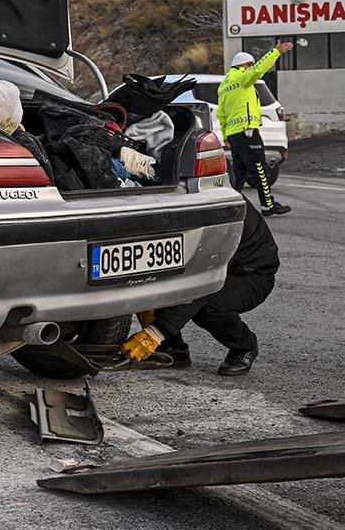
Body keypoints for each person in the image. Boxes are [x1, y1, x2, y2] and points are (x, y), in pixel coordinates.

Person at [120, 197, 279, 376]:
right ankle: (173, 349)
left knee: (208, 306)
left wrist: (156, 333)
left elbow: (204, 280)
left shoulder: (220, 212)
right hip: (212, 267)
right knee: (149, 281)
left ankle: (245, 346)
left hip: (251, 275)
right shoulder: (177, 201)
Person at [218, 42, 294, 216]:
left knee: (239, 172)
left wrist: (225, 135)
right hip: (247, 132)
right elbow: (259, 70)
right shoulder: (242, 77)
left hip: (234, 134)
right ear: (245, 65)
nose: (251, 68)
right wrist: (275, 52)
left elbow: (221, 114)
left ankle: (231, 205)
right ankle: (268, 205)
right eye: (250, 65)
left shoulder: (224, 85)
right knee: (260, 168)